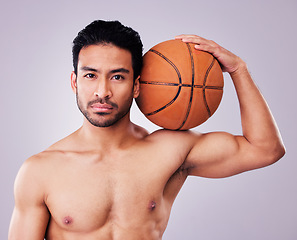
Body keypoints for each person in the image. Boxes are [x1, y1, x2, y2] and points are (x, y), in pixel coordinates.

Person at [8, 20, 285, 240]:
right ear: (74, 82)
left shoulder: (169, 151)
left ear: (136, 85)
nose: (102, 92)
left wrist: (239, 69)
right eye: (90, 75)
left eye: (118, 77)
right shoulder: (40, 171)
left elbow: (265, 149)